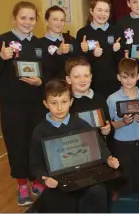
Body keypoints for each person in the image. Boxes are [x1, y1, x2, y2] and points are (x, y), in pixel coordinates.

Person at [29, 79, 120, 213]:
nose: (59, 108)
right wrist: (44, 178)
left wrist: (108, 159)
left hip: (83, 175)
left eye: (64, 102)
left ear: (71, 102)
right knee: (63, 200)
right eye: (54, 103)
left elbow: (99, 145)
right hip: (58, 181)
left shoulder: (81, 124)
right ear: (46, 104)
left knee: (99, 190)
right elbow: (36, 164)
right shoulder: (40, 131)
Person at [0, 1, 52, 206]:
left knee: (37, 142)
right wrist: (1, 58)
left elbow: (50, 73)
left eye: (31, 18)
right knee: (17, 144)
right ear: (14, 18)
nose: (27, 22)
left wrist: (42, 82)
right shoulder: (2, 42)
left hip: (36, 103)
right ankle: (22, 184)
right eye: (23, 18)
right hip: (12, 105)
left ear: (36, 21)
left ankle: (37, 180)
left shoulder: (40, 45)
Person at [107, 58, 139, 196]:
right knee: (125, 187)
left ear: (138, 76)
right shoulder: (112, 99)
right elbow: (109, 125)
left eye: (132, 76)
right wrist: (123, 122)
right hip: (122, 145)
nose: (129, 80)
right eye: (125, 77)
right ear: (119, 77)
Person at [76, 0, 123, 99]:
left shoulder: (116, 31)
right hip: (91, 83)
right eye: (99, 10)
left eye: (106, 11)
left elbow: (121, 60)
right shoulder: (82, 33)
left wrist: (117, 51)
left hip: (113, 82)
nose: (103, 14)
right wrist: (87, 53)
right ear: (91, 11)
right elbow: (78, 61)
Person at [65, 57, 113, 140]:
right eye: (77, 77)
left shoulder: (99, 98)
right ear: (69, 79)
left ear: (91, 77)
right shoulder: (65, 102)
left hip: (99, 147)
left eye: (86, 76)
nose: (82, 80)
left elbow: (107, 124)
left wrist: (107, 131)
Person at [40, 5, 79, 78]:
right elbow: (44, 68)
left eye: (62, 20)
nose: (59, 23)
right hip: (51, 86)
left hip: (71, 84)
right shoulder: (40, 43)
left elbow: (78, 62)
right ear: (46, 21)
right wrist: (58, 53)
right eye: (55, 19)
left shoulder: (71, 40)